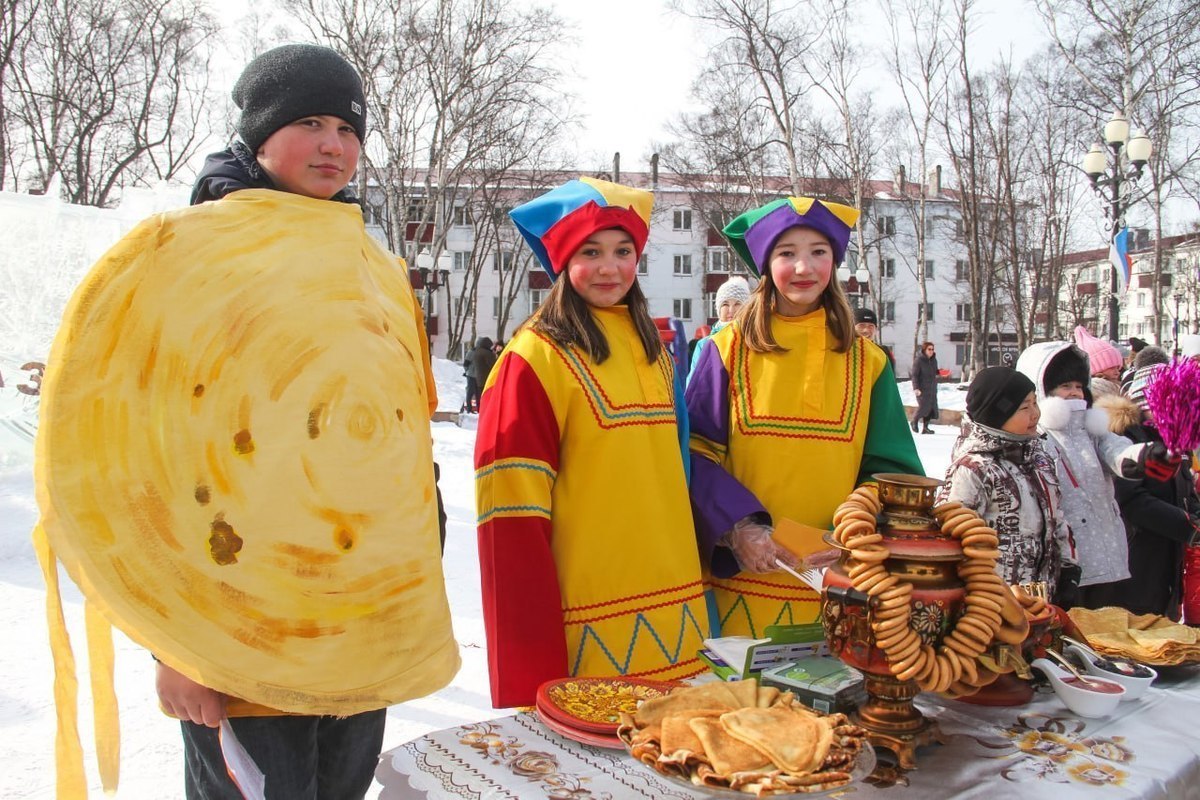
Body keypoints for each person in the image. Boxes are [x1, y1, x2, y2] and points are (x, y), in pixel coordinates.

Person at [33, 44, 459, 798]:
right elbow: (131, 463)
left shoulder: (376, 271)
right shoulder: (188, 258)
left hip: (359, 630)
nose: (334, 144)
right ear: (259, 136)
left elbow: (397, 445)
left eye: (349, 129)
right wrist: (174, 648)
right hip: (235, 638)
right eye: (310, 122)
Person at [474, 177, 708, 708]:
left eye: (623, 251)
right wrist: (531, 666)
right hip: (587, 628)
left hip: (679, 620)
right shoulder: (532, 360)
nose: (610, 268)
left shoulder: (655, 349)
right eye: (590, 252)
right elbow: (510, 522)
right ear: (560, 260)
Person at [686, 196, 923, 638]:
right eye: (786, 253)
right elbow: (695, 455)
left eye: (818, 251)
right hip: (742, 587)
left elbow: (892, 473)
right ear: (765, 264)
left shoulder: (869, 362)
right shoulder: (724, 351)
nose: (803, 268)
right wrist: (740, 529)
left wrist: (852, 530)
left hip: (842, 588)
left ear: (835, 261)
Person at [1015, 342, 1170, 609]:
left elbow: (1118, 451)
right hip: (1065, 558)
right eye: (1065, 387)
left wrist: (1144, 457)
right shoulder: (1037, 437)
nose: (1074, 393)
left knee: (1107, 627)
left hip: (1108, 550)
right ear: (1043, 390)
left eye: (1078, 386)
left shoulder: (1093, 430)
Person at [936, 367, 1076, 600]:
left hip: (1041, 598)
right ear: (997, 416)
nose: (1035, 414)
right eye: (1024, 407)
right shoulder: (973, 470)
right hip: (991, 605)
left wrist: (1070, 568)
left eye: (1035, 403)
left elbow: (1058, 519)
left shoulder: (1039, 459)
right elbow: (952, 541)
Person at [1097, 365, 1200, 618]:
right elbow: (1131, 500)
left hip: (1166, 567)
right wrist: (1190, 527)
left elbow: (1186, 495)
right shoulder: (1128, 439)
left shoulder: (1174, 441)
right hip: (1136, 568)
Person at [688, 275, 750, 382]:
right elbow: (694, 386)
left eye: (737, 304)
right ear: (718, 309)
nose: (731, 310)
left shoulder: (753, 342)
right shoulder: (705, 345)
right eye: (725, 304)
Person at [1072, 325, 1124, 400]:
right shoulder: (1099, 389)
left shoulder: (1114, 386)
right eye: (1112, 368)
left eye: (1118, 368)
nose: (1117, 372)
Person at [911, 341, 939, 434]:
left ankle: (925, 428)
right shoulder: (919, 360)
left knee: (931, 408)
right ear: (924, 350)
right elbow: (914, 375)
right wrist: (916, 388)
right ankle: (914, 421)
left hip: (932, 388)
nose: (931, 351)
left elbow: (934, 371)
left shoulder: (934, 360)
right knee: (923, 406)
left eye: (932, 349)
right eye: (929, 349)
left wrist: (939, 372)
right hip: (922, 388)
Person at [465, 336, 496, 413]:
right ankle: (472, 409)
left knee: (475, 393)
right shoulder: (479, 352)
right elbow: (466, 364)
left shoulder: (476, 352)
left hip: (476, 376)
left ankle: (476, 409)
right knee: (472, 393)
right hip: (475, 376)